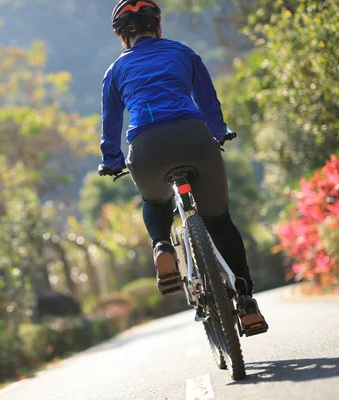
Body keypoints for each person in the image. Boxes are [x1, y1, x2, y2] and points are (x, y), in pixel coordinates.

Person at [97, 0, 267, 333]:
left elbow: (111, 124)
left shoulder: (115, 71)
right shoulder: (184, 53)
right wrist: (219, 132)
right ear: (157, 27)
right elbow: (208, 100)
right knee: (219, 223)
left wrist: (112, 161)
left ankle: (161, 245)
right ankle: (246, 302)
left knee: (155, 201)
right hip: (194, 138)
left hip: (147, 149)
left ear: (122, 37)